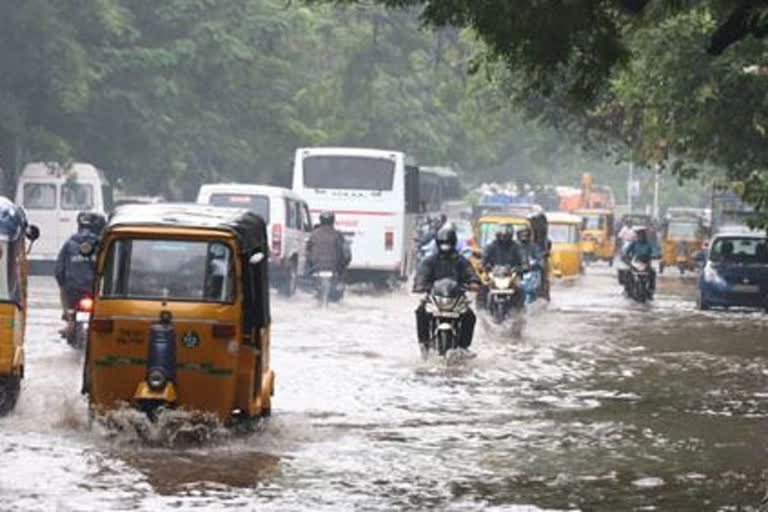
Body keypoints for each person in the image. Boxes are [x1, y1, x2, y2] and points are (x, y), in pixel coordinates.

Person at [413, 226, 478, 350]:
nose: (445, 246)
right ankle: (424, 343)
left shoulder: (461, 261)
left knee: (470, 316)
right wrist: (420, 285)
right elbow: (422, 274)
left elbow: (470, 273)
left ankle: (464, 347)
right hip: (434, 298)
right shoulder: (430, 261)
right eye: (442, 243)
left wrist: (473, 282)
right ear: (438, 243)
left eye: (447, 243)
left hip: (456, 298)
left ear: (453, 243)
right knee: (420, 312)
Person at [55, 211, 106, 321]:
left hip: (73, 291)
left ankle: (68, 318)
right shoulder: (103, 245)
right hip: (95, 292)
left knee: (64, 290)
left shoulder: (70, 243)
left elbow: (59, 271)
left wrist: (63, 283)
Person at [306, 211, 351, 276]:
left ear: (321, 220)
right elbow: (347, 256)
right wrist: (341, 268)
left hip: (316, 269)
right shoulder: (338, 235)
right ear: (333, 221)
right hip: (334, 270)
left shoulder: (313, 235)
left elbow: (307, 252)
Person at [623, 226, 656, 292]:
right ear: (637, 235)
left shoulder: (649, 244)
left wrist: (655, 255)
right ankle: (627, 289)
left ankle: (651, 289)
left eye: (642, 234)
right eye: (639, 234)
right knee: (627, 273)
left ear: (645, 235)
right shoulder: (634, 243)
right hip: (635, 262)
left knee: (653, 273)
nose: (641, 236)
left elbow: (654, 251)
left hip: (646, 263)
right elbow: (627, 251)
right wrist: (625, 256)